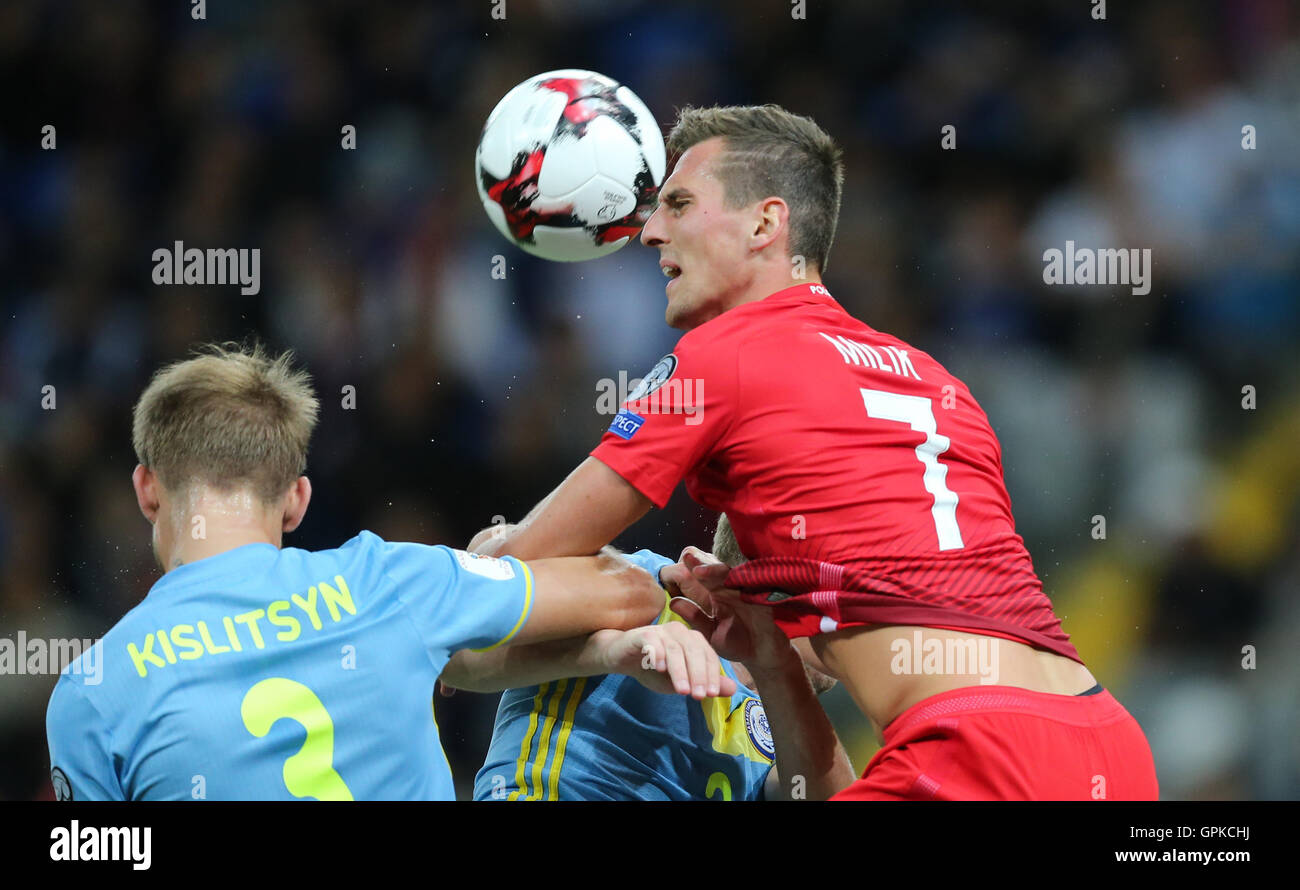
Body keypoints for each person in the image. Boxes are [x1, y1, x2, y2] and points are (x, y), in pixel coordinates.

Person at [471, 105, 1159, 800]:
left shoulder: (727, 354)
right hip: (1105, 739)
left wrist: (501, 554)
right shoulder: (939, 382)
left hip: (972, 750)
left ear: (766, 225)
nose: (651, 231)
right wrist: (772, 651)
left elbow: (507, 575)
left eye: (679, 204)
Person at [44, 342, 725, 801]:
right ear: (297, 500)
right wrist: (493, 557)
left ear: (146, 489)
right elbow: (624, 589)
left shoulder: (93, 691)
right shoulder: (387, 581)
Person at [452, 514, 852, 800]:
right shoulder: (646, 590)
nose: (861, 635)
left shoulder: (784, 723)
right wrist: (607, 647)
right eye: (849, 614)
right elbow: (490, 558)